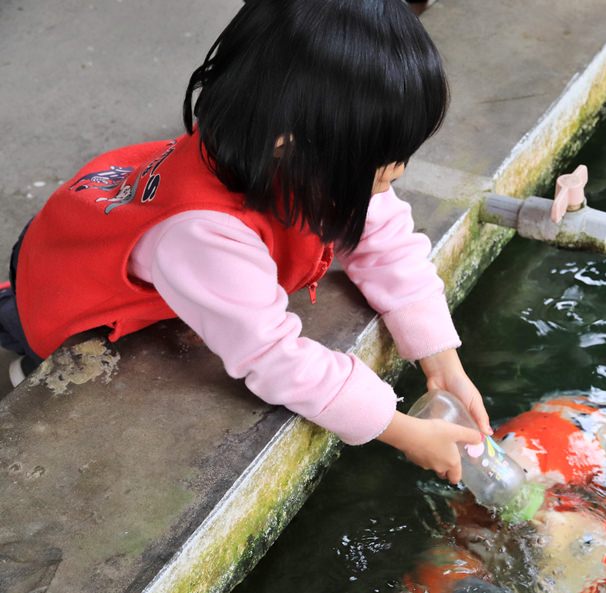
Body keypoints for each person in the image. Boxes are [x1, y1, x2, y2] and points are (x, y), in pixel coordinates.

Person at [0, 0, 489, 484]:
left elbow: (383, 237)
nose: (397, 174)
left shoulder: (304, 159)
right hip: (67, 283)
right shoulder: (203, 233)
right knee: (37, 333)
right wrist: (402, 430)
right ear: (290, 151)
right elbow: (273, 359)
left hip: (100, 221)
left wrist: (442, 362)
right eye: (381, 165)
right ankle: (32, 360)